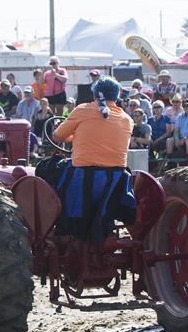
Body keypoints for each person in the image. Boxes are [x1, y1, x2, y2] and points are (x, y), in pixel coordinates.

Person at [50, 76, 135, 242]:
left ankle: (56, 221)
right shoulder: (127, 119)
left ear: (95, 95)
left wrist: (74, 135)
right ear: (117, 96)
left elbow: (58, 136)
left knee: (48, 168)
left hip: (83, 176)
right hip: (116, 178)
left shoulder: (82, 110)